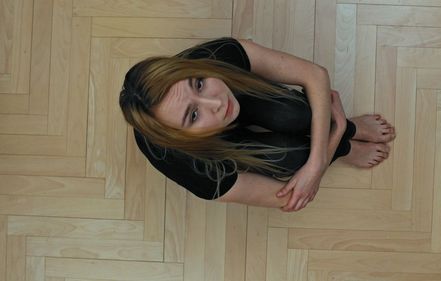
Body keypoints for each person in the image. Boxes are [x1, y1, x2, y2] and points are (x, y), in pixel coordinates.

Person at [119, 37, 395, 212]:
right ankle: (346, 140)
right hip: (221, 146)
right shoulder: (185, 164)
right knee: (293, 157)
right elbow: (286, 198)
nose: (215, 103)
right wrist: (331, 145)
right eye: (193, 115)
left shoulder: (215, 56)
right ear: (179, 137)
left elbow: (314, 74)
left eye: (199, 83)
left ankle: (349, 127)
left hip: (244, 93)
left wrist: (317, 162)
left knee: (295, 114)